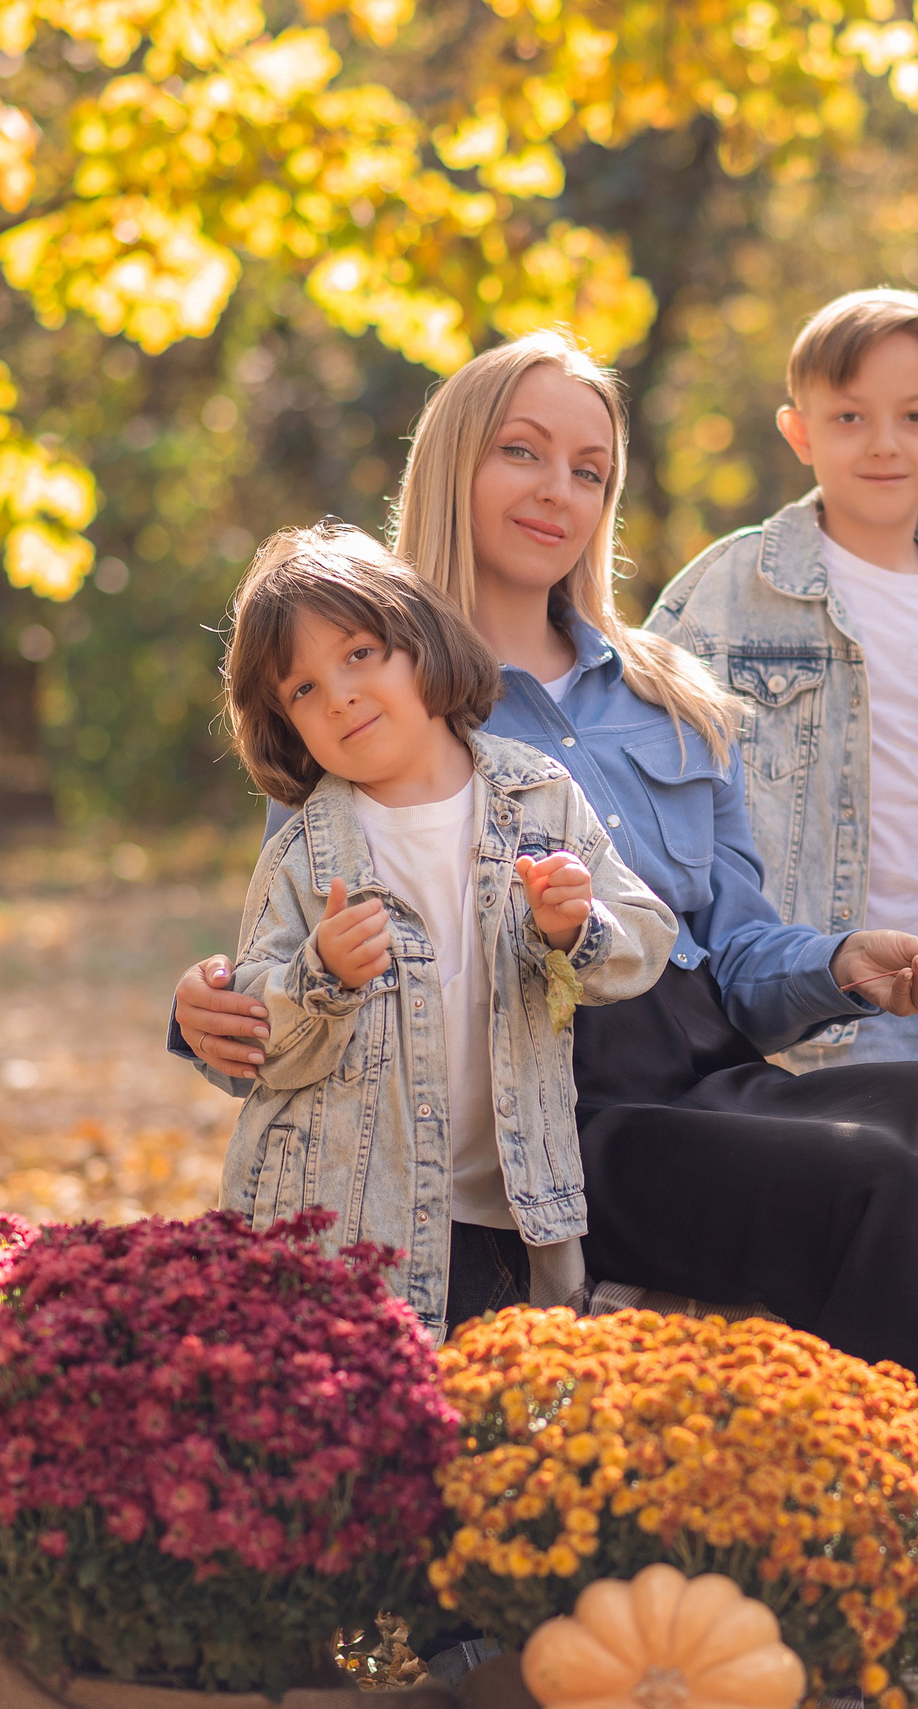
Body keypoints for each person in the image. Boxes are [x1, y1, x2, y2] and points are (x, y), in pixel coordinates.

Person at [174, 332, 918, 1709]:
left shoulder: (664, 689)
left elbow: (740, 946)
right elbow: (298, 926)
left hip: (708, 1059)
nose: (559, 489)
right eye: (522, 451)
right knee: (886, 1178)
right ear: (454, 463)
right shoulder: (377, 682)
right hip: (564, 1112)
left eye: (590, 468)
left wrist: (843, 961)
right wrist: (201, 1009)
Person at [646, 289, 918, 1144]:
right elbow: (650, 805)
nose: (885, 442)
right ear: (800, 432)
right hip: (812, 1021)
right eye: (850, 416)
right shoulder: (724, 595)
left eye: (914, 416)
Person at [204, 521, 675, 1336]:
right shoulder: (305, 855)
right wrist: (320, 975)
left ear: (420, 641)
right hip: (346, 1228)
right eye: (303, 689)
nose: (339, 695)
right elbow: (254, 1044)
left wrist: (574, 926)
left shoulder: (539, 797)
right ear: (285, 723)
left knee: (506, 1409)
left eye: (359, 654)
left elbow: (643, 937)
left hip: (514, 1214)